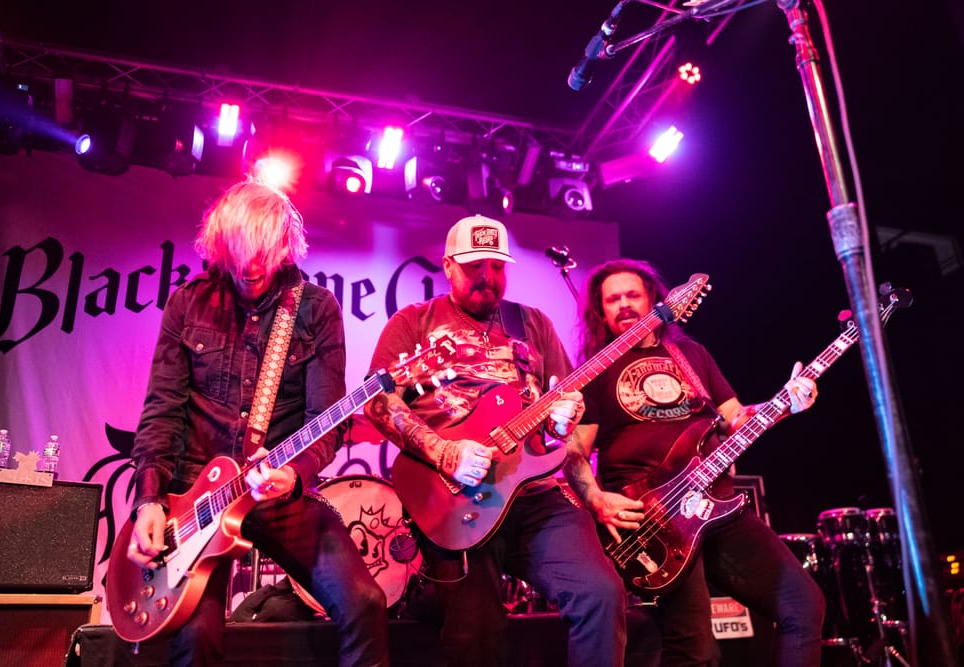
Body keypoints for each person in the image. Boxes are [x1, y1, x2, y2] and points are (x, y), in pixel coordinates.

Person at [125, 181, 389, 666]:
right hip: (194, 500)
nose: (251, 267)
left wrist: (294, 475)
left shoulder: (315, 310)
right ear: (220, 245)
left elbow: (325, 423)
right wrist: (149, 502)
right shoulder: (188, 304)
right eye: (240, 253)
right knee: (195, 640)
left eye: (263, 253)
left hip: (273, 489)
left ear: (285, 246)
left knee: (364, 602)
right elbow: (162, 409)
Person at [364, 215, 628, 667]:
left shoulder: (532, 324)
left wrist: (564, 424)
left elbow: (562, 416)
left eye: (497, 266)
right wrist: (444, 451)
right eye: (474, 266)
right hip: (455, 500)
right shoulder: (414, 323)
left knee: (601, 594)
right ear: (448, 266)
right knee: (476, 634)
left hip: (535, 495)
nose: (487, 277)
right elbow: (377, 402)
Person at [565, 258, 827, 666]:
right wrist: (596, 498)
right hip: (653, 519)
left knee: (804, 606)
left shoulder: (691, 354)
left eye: (632, 295)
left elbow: (736, 419)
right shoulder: (595, 368)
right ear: (600, 311)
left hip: (714, 504)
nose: (624, 305)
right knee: (696, 651)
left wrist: (784, 404)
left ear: (654, 299)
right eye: (613, 300)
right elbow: (574, 451)